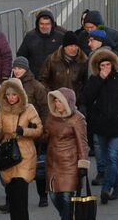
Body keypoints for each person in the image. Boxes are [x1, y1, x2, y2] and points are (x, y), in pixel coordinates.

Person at [81, 49, 118, 204]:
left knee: (112, 158)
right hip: (99, 125)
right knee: (106, 158)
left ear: (113, 65)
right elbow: (86, 98)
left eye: (108, 64)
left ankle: (106, 188)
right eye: (102, 65)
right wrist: (99, 79)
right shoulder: (94, 80)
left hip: (117, 126)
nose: (105, 68)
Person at [0, 78, 43, 220]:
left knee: (21, 198)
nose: (11, 98)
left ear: (20, 94)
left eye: (14, 95)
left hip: (24, 156)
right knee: (13, 198)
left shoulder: (29, 109)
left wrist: (24, 131)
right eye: (8, 95)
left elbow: (39, 130)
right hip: (8, 156)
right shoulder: (1, 110)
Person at [42, 88, 88, 220]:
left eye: (60, 101)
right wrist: (39, 132)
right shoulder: (51, 116)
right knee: (53, 195)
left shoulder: (77, 119)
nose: (57, 104)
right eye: (55, 101)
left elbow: (82, 143)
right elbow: (46, 136)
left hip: (69, 164)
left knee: (67, 197)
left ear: (68, 102)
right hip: (53, 163)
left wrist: (83, 165)